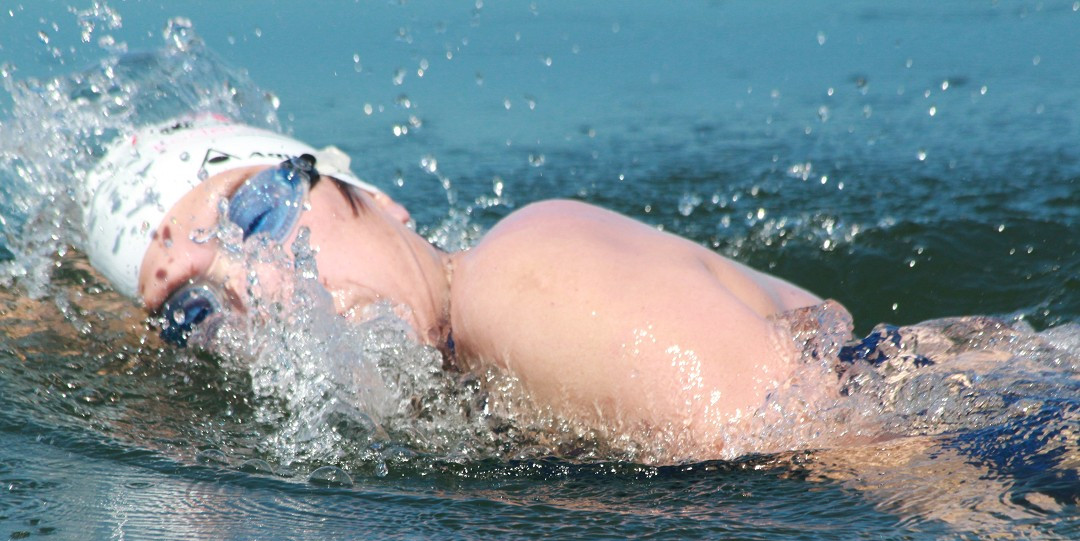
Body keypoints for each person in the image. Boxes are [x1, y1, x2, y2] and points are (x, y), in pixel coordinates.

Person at [80, 114, 831, 459]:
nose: (266, 289)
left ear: (376, 199)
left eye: (257, 213)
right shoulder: (471, 379)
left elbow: (844, 454)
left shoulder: (522, 279)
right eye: (193, 311)